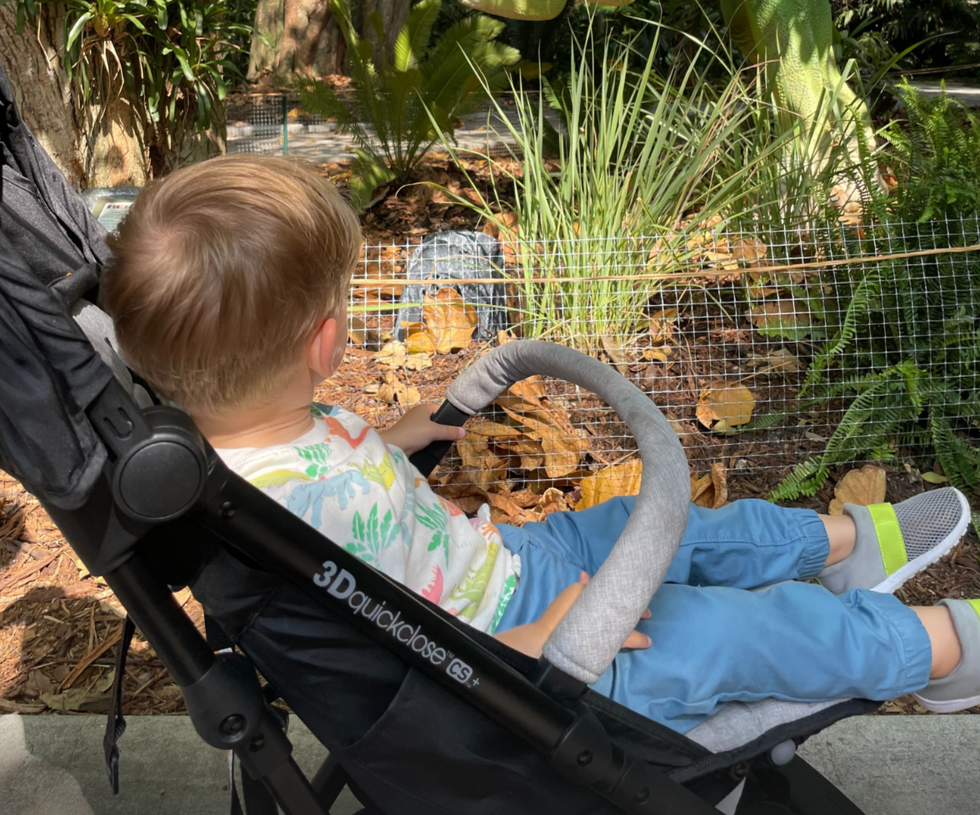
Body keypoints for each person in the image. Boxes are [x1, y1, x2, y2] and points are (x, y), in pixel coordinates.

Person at [100, 155, 980, 733]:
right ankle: (937, 651)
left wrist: (434, 418)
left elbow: (351, 451)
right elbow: (395, 667)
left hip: (514, 562)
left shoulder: (246, 441)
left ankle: (843, 547)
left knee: (659, 521)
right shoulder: (298, 510)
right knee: (731, 631)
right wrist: (540, 643)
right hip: (527, 659)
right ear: (326, 341)